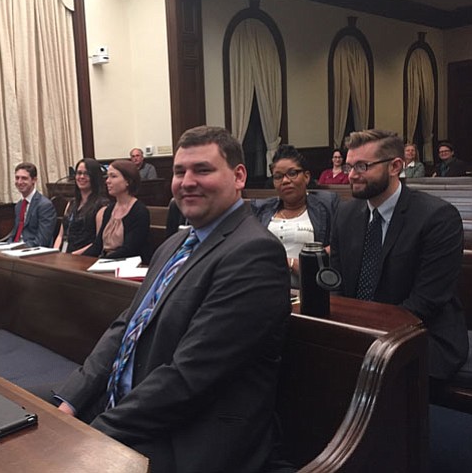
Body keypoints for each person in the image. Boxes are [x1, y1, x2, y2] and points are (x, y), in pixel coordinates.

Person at [57, 126, 291, 473]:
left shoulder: (253, 252)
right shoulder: (174, 245)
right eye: (180, 171)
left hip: (186, 435)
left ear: (239, 176)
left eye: (203, 170)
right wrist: (71, 402)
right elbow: (127, 326)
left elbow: (190, 377)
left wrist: (96, 432)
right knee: (10, 419)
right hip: (127, 409)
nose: (187, 181)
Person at [331, 129, 468, 379]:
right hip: (357, 333)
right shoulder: (345, 215)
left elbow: (427, 302)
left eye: (362, 166)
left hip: (421, 335)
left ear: (395, 166)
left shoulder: (437, 217)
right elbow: (337, 284)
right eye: (350, 166)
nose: (351, 175)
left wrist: (367, 338)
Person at [252, 145, 339, 286]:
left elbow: (339, 245)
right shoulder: (262, 209)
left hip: (309, 287)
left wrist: (306, 262)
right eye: (278, 176)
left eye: (292, 173)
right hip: (266, 285)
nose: (285, 181)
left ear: (306, 176)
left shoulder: (327, 204)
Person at [83, 160, 151, 262]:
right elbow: (98, 245)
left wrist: (101, 261)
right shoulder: (109, 210)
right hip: (106, 262)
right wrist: (79, 259)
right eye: (107, 176)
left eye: (113, 176)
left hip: (128, 266)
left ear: (128, 181)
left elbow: (130, 249)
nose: (107, 181)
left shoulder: (139, 211)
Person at [53, 158, 108, 254]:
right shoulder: (71, 203)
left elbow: (98, 242)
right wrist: (55, 252)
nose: (81, 177)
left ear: (94, 177)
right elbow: (61, 235)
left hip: (84, 257)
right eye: (79, 173)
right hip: (64, 255)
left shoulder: (102, 205)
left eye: (86, 173)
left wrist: (73, 255)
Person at [6, 162, 57, 247]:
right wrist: (6, 245)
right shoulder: (18, 206)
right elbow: (15, 233)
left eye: (24, 178)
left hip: (33, 252)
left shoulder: (45, 205)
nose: (19, 182)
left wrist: (18, 248)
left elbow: (42, 240)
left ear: (34, 180)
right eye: (17, 178)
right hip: (16, 250)